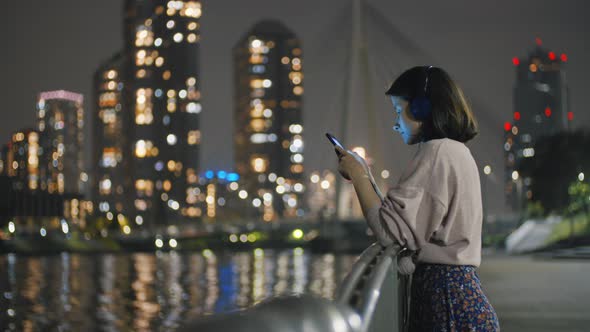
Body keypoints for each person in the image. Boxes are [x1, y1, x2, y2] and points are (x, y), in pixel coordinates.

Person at [335, 66, 500, 331]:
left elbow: (389, 231)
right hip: (461, 298)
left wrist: (358, 177)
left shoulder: (436, 153)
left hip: (446, 302)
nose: (395, 122)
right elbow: (413, 221)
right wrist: (365, 174)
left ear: (423, 109)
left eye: (399, 111)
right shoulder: (457, 152)